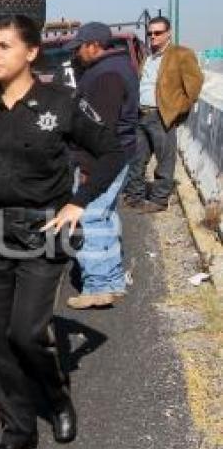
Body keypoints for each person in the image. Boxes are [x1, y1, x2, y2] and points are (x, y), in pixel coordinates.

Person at [0, 15, 124, 449]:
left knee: (27, 333)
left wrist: (79, 202)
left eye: (4, 46)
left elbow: (112, 152)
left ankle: (57, 399)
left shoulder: (62, 101)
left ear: (31, 53)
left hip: (44, 233)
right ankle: (18, 430)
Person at [63, 22, 138, 309]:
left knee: (90, 217)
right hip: (119, 153)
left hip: (102, 157)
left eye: (79, 48)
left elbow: (100, 129)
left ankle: (97, 286)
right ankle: (113, 280)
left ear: (94, 45)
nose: (76, 55)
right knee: (105, 215)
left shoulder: (106, 75)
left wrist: (87, 168)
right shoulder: (118, 67)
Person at [123, 16, 204, 212]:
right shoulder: (149, 57)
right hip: (141, 114)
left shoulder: (181, 54)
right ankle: (135, 196)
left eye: (158, 33)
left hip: (162, 116)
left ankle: (159, 200)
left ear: (168, 33)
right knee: (137, 158)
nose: (153, 37)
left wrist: (177, 108)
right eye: (150, 33)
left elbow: (194, 86)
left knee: (164, 161)